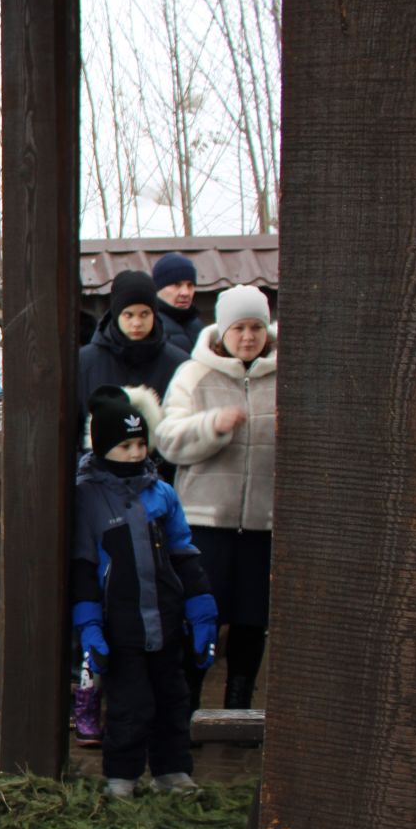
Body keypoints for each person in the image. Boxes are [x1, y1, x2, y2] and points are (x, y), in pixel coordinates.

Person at [73, 385, 215, 798]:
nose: (136, 453)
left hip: (167, 618)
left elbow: (183, 551)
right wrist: (89, 626)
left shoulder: (162, 492)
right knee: (129, 705)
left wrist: (201, 607)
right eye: (124, 446)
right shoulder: (88, 498)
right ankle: (122, 775)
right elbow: (83, 565)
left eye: (140, 443)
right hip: (122, 623)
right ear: (102, 447)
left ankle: (172, 770)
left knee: (173, 698)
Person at [155, 285, 277, 711]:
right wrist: (213, 426)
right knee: (200, 615)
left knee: (252, 619)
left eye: (256, 327)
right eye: (239, 328)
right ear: (223, 331)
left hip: (264, 522)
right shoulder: (193, 374)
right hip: (206, 523)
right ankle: (186, 703)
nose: (248, 337)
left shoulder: (286, 375)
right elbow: (168, 441)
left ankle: (239, 705)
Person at [75, 269, 189, 476]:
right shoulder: (85, 363)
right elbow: (72, 430)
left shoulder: (179, 364)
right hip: (97, 483)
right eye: (129, 315)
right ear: (117, 314)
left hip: (162, 484)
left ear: (154, 314)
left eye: (144, 314)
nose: (137, 323)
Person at [152, 252, 202, 354]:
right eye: (176, 285)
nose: (185, 293)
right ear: (158, 288)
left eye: (190, 285)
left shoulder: (197, 325)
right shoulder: (149, 327)